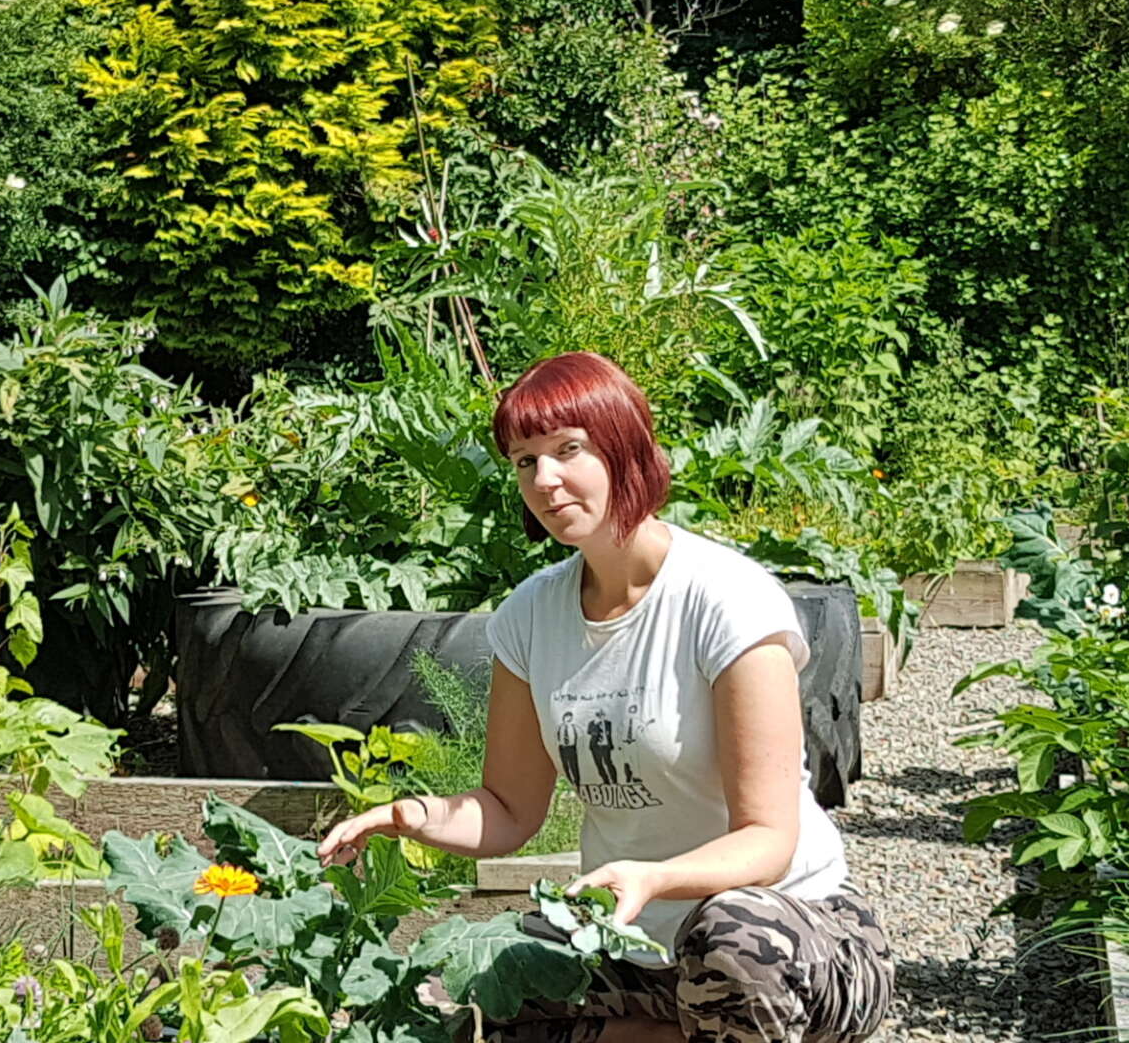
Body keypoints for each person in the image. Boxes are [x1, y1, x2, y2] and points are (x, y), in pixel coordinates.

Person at [317, 352, 893, 1043]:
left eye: (568, 450)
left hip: (797, 934)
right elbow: (507, 811)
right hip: (631, 942)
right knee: (476, 985)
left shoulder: (726, 601)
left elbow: (768, 841)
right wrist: (409, 815)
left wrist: (656, 877)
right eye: (525, 460)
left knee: (730, 942)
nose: (545, 479)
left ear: (624, 450)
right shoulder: (530, 615)